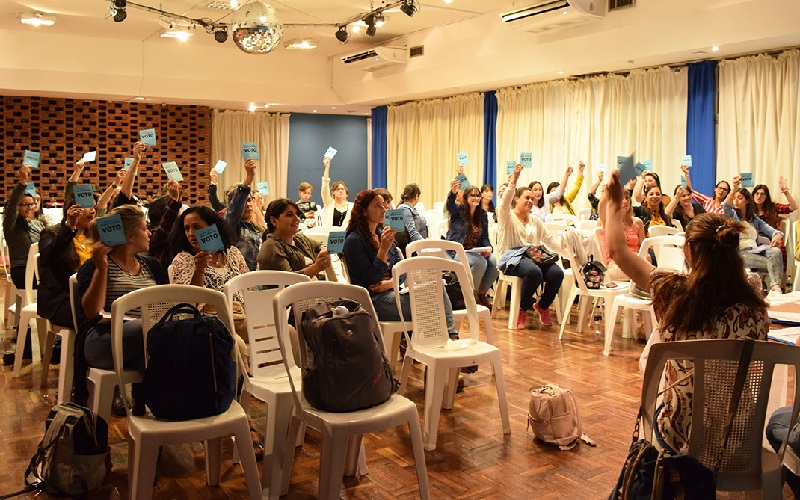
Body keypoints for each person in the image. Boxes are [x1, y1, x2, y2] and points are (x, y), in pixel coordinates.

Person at [600, 169, 769, 455]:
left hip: (680, 437)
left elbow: (617, 250)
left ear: (688, 250)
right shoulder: (754, 304)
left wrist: (614, 202)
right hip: (737, 437)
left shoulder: (673, 292)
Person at [75, 205, 169, 409]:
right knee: (144, 329)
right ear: (129, 236)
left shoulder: (152, 265)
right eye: (144, 229)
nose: (149, 233)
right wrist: (101, 269)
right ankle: (165, 405)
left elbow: (166, 305)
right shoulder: (95, 265)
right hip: (102, 340)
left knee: (166, 334)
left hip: (146, 340)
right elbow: (91, 312)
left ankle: (156, 409)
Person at [342, 190, 457, 337]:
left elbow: (402, 270)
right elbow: (371, 280)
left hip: (393, 292)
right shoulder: (354, 241)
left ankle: (446, 340)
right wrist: (383, 250)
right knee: (433, 305)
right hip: (373, 301)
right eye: (377, 206)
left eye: (383, 205)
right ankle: (447, 340)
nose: (384, 209)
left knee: (437, 287)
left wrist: (390, 283)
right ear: (363, 211)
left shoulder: (382, 234)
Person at [497, 164, 566, 329]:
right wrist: (514, 179)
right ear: (516, 199)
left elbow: (550, 240)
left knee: (557, 273)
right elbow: (505, 200)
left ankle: (542, 306)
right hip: (512, 258)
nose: (530, 201)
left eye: (531, 199)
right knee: (533, 272)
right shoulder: (506, 215)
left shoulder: (535, 220)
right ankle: (522, 308)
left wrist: (568, 252)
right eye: (526, 198)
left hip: (533, 257)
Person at [38, 193, 98, 331]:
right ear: (71, 209)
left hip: (91, 293)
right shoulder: (51, 233)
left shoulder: (95, 235)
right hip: (63, 299)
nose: (92, 210)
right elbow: (49, 258)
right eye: (87, 206)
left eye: (93, 206)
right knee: (92, 316)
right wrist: (69, 228)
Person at [722, 185, 784, 296]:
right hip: (741, 253)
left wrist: (778, 235)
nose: (736, 200)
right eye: (735, 198)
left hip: (755, 250)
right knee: (774, 263)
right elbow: (726, 206)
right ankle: (773, 288)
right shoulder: (732, 215)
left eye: (739, 198)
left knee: (776, 252)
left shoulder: (754, 218)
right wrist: (734, 187)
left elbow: (770, 230)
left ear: (747, 201)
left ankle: (775, 288)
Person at [446, 181, 498, 308]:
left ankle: (482, 293)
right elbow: (450, 206)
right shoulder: (458, 211)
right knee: (480, 263)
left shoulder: (482, 214)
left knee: (495, 261)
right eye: (472, 195)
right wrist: (452, 193)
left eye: (477, 196)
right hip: (457, 250)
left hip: (475, 250)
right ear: (466, 197)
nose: (475, 198)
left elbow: (484, 236)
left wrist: (488, 248)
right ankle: (469, 296)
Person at [257, 198, 331, 278]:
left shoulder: (298, 239)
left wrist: (324, 249)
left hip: (309, 287)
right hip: (290, 290)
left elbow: (321, 244)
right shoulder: (271, 248)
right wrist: (316, 268)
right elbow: (289, 281)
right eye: (289, 215)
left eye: (297, 214)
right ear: (274, 221)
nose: (298, 219)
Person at [596, 190, 645, 281]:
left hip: (637, 262)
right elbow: (600, 209)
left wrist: (646, 257)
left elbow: (644, 248)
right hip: (615, 265)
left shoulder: (638, 222)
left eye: (627, 198)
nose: (625, 201)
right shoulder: (606, 221)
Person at [224, 158, 263, 271]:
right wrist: (249, 179)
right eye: (244, 201)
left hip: (259, 276)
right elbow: (236, 206)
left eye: (250, 200)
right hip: (241, 280)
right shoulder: (232, 225)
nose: (248, 204)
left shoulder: (255, 227)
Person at [396, 183, 428, 255]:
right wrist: (426, 245)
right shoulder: (405, 210)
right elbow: (412, 233)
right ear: (417, 196)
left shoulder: (406, 208)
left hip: (418, 246)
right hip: (416, 249)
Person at [321, 156, 353, 227]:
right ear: (333, 192)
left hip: (346, 236)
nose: (341, 191)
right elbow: (325, 188)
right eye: (338, 189)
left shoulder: (352, 206)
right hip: (329, 234)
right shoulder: (329, 203)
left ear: (346, 193)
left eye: (342, 189)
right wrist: (327, 168)